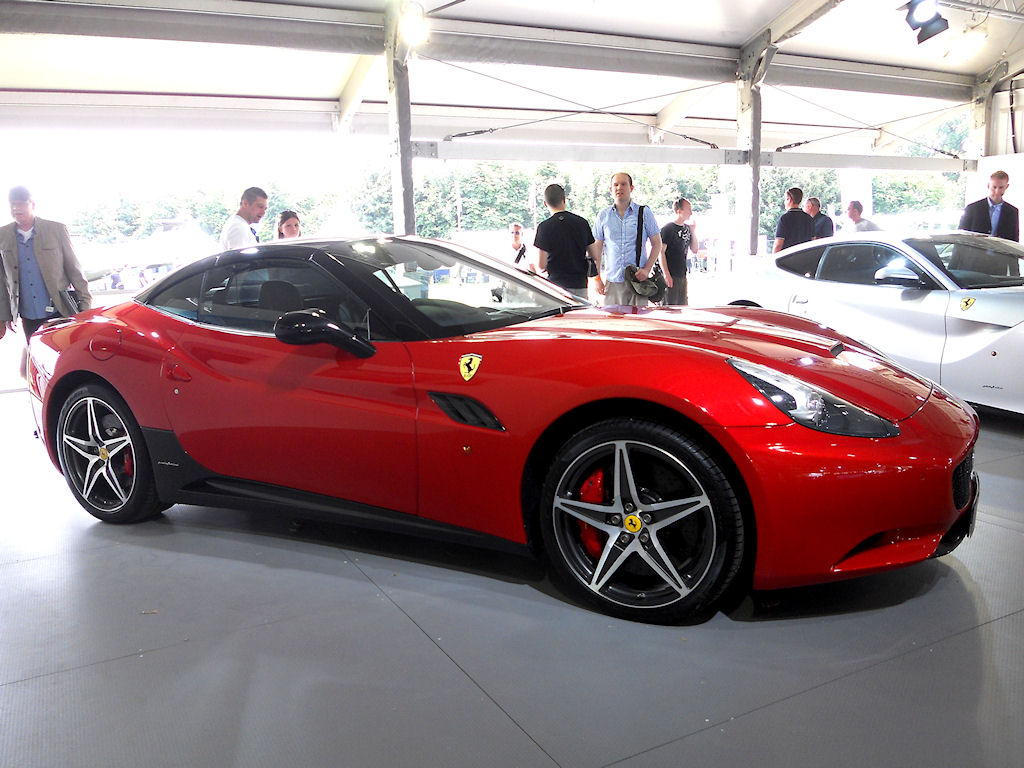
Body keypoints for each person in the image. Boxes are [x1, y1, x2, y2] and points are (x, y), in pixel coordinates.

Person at [0, 186, 93, 341]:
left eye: (21, 203)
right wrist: (3, 316)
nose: (16, 208)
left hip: (60, 311)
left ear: (33, 205)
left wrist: (85, 309)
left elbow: (75, 272)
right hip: (27, 315)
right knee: (35, 355)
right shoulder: (3, 235)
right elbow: (2, 281)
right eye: (12, 204)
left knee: (63, 356)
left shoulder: (56, 230)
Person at [591, 172, 663, 306]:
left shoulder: (644, 213)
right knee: (614, 323)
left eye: (623, 184)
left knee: (639, 323)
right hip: (613, 282)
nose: (619, 188)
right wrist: (596, 278)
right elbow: (597, 249)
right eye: (615, 185)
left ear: (631, 188)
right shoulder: (603, 216)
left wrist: (647, 269)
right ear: (610, 190)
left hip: (638, 282)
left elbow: (657, 244)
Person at [533, 184, 597, 299]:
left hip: (555, 286)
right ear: (564, 199)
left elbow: (541, 265)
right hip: (579, 284)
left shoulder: (544, 227)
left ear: (545, 203)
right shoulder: (582, 223)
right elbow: (594, 255)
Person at [959, 170, 1019, 241]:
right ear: (988, 186)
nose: (997, 191)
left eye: (1001, 187)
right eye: (994, 187)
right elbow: (961, 235)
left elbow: (1014, 240)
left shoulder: (1012, 212)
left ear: (1006, 187)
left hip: (1000, 251)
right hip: (976, 251)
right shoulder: (972, 209)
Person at [659, 197, 698, 305]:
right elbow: (660, 252)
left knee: (682, 304)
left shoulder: (687, 228)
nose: (691, 212)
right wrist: (666, 274)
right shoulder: (668, 228)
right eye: (688, 209)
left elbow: (695, 249)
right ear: (679, 211)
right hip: (671, 274)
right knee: (669, 305)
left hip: (682, 274)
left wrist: (693, 231)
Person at [773, 187, 816, 253]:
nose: (784, 203)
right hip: (806, 257)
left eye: (785, 200)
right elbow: (813, 241)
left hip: (788, 258)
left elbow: (778, 244)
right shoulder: (809, 218)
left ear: (789, 199)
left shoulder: (785, 218)